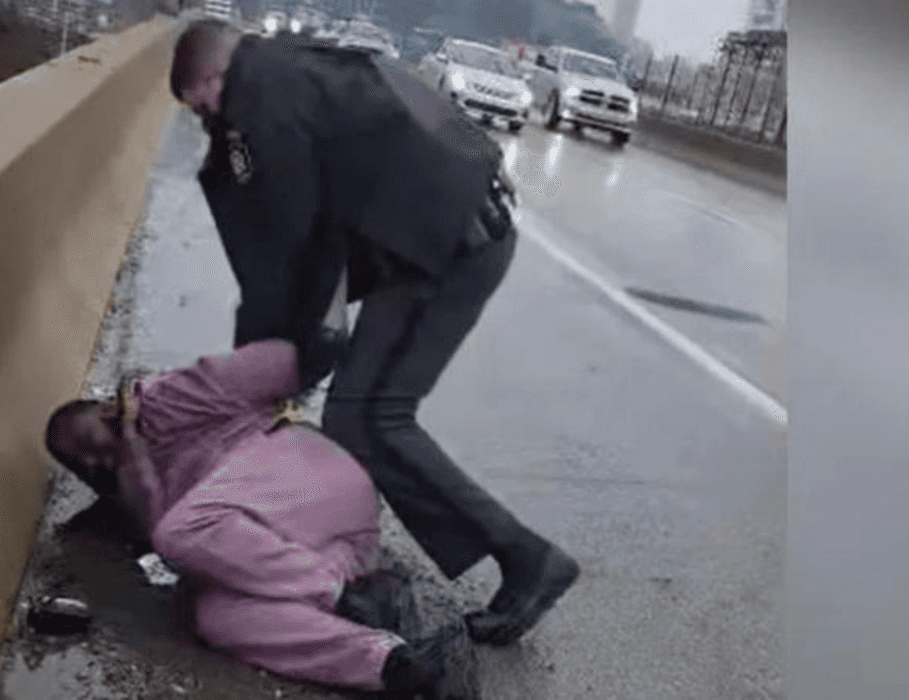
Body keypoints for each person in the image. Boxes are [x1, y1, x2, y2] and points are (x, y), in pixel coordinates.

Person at [168, 19, 579, 646]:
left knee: (372, 414)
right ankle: (358, 545)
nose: (211, 125)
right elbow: (323, 228)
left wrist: (267, 364)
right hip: (434, 237)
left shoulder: (265, 96)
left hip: (451, 246)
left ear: (213, 75)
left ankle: (527, 559)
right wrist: (301, 349)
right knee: (355, 417)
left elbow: (289, 247)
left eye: (204, 107)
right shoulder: (295, 70)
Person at [45, 339, 479, 699]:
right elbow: (155, 530)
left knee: (180, 531)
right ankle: (400, 666)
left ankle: (345, 595)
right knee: (215, 618)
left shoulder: (162, 400)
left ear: (109, 413)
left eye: (93, 443)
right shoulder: (130, 477)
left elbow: (272, 370)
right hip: (317, 547)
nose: (97, 462)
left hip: (314, 481)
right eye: (84, 467)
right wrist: (132, 457)